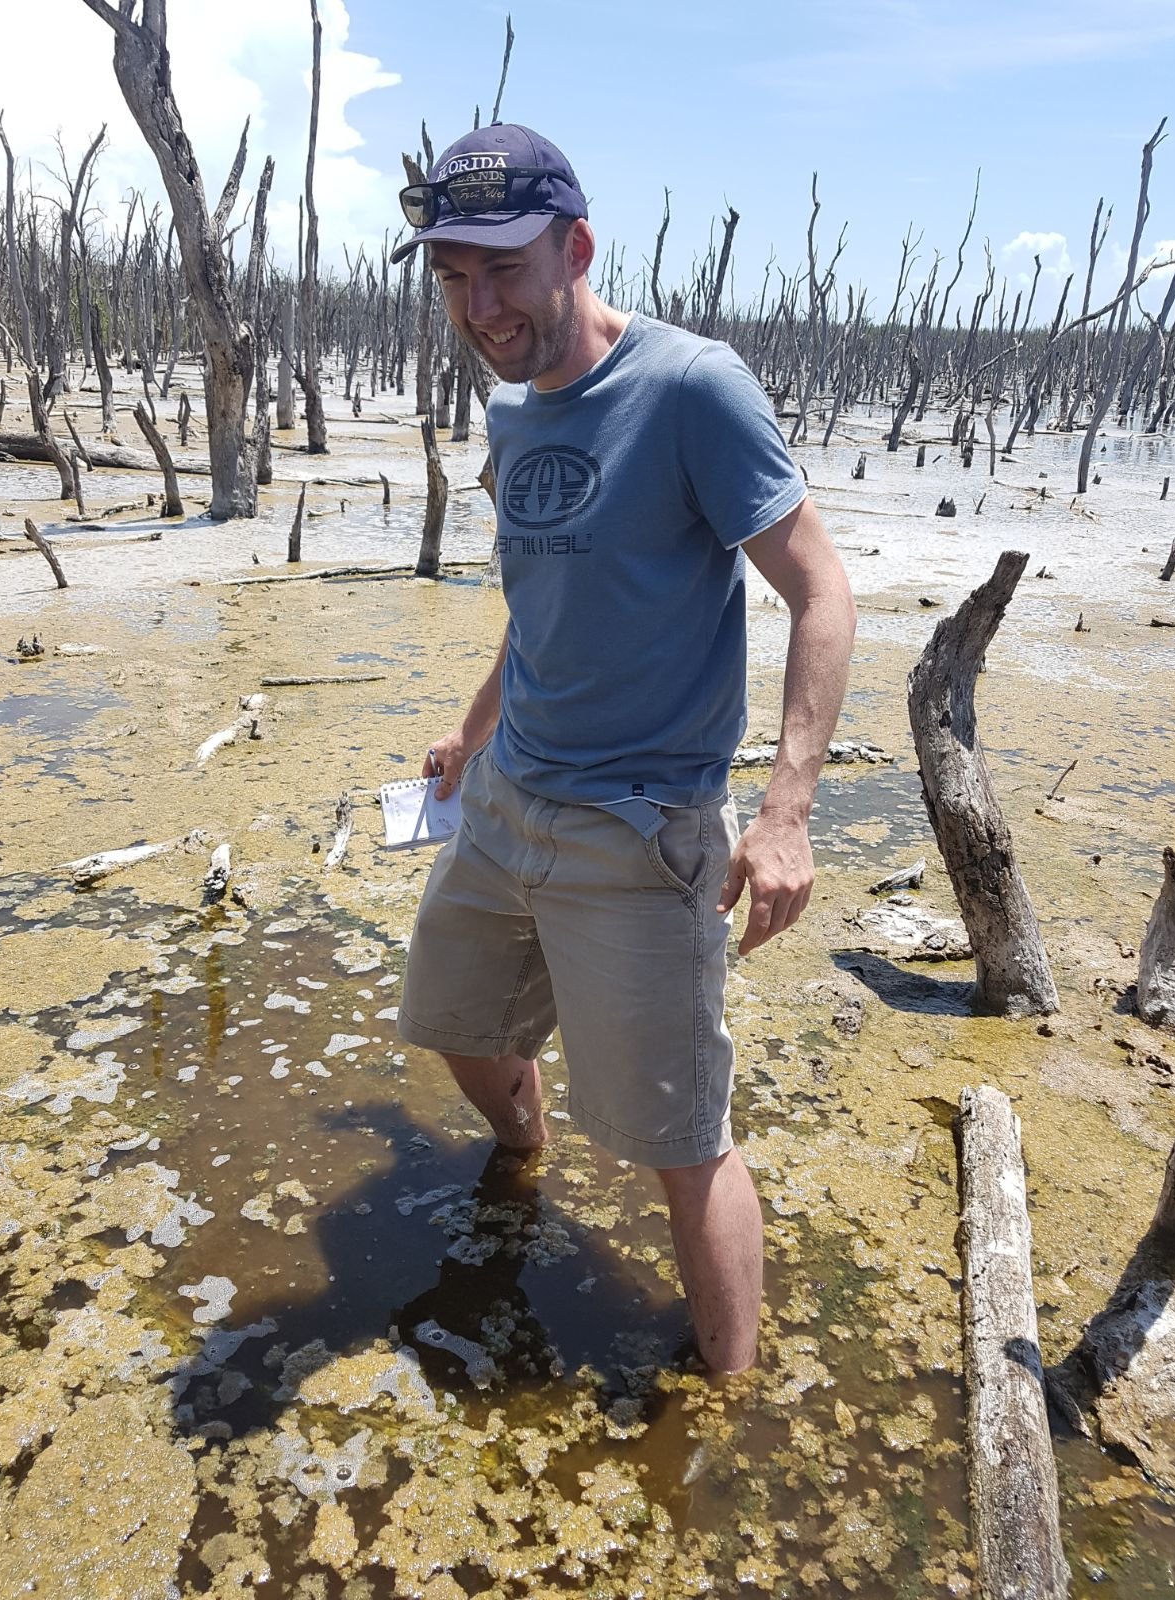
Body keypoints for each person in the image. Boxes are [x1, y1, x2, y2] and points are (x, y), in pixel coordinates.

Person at [391, 123, 856, 1373]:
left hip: (640, 828)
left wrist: (786, 813)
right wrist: (470, 729)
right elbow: (538, 602)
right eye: (452, 277)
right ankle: (523, 1149)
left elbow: (822, 591)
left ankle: (725, 1393)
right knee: (451, 1019)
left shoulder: (692, 388)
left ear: (575, 247)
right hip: (505, 803)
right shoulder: (510, 412)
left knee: (678, 1134)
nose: (479, 305)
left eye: (502, 269)